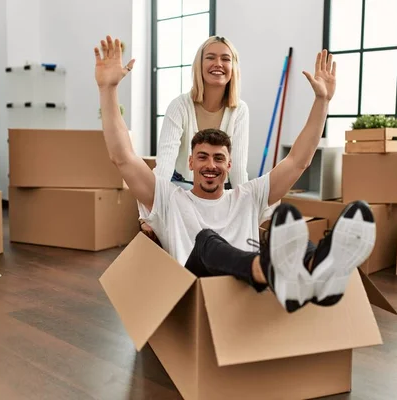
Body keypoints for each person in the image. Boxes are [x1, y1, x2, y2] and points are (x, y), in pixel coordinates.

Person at [94, 35, 376, 313]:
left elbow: (298, 162)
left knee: (293, 241)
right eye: (202, 157)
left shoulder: (248, 196)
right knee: (207, 240)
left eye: (219, 159)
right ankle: (268, 269)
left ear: (229, 166)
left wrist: (322, 101)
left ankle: (319, 270)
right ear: (190, 162)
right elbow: (123, 157)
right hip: (197, 292)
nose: (211, 165)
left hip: (249, 297)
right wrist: (108, 90)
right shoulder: (169, 200)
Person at [140, 35, 250, 239]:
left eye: (225, 59)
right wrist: (151, 212)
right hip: (182, 185)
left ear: (233, 67)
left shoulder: (240, 110)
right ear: (199, 65)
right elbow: (164, 166)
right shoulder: (179, 106)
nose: (218, 64)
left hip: (217, 186)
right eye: (211, 57)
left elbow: (237, 170)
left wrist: (246, 210)